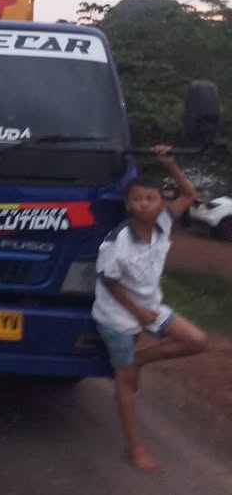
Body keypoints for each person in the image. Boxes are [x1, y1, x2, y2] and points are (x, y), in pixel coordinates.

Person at [92, 145, 207, 474]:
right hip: (116, 316)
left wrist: (169, 162)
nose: (144, 204)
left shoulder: (164, 225)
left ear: (160, 205)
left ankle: (141, 358)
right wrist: (136, 313)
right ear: (129, 205)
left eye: (151, 199)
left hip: (150, 306)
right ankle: (135, 448)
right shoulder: (117, 241)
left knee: (196, 340)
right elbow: (108, 280)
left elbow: (189, 192)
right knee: (125, 383)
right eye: (137, 199)